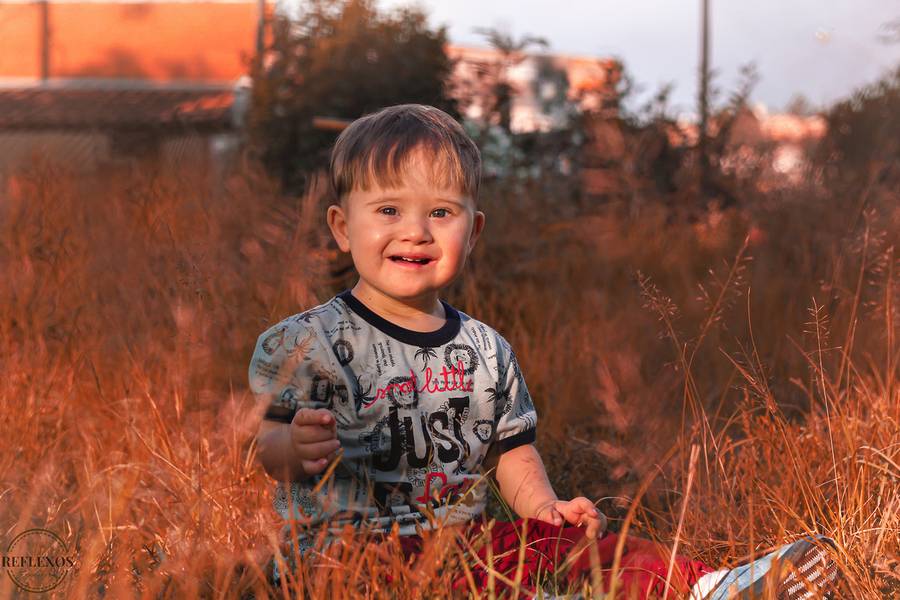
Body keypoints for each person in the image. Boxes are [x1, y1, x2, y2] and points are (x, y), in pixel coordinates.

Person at [247, 104, 841, 599]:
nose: (416, 231)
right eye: (388, 211)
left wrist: (545, 508)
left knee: (583, 549)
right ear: (342, 227)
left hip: (463, 545)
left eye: (439, 212)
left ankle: (704, 587)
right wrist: (292, 446)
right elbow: (261, 446)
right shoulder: (306, 343)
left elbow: (513, 453)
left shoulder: (485, 350)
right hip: (345, 557)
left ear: (472, 232)